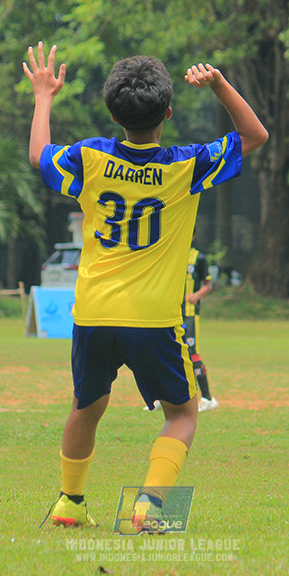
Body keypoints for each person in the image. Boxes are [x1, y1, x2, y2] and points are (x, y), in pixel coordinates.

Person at [24, 42, 267, 529]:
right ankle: (150, 507)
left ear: (114, 114)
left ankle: (70, 503)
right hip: (153, 318)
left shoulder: (90, 157)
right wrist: (219, 84)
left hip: (92, 313)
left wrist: (45, 95)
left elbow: (38, 156)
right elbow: (254, 134)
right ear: (169, 112)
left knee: (86, 408)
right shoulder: (186, 165)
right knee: (183, 413)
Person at [184, 240, 217, 411]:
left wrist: (196, 295)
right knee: (166, 351)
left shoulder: (198, 257)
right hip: (170, 312)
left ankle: (207, 397)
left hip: (189, 314)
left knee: (191, 352)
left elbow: (208, 285)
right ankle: (162, 397)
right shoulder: (171, 254)